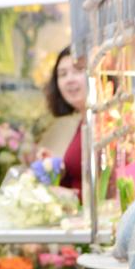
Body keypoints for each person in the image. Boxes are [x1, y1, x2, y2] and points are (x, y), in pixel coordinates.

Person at [40, 45, 86, 198]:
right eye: (63, 74)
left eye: (78, 70)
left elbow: (109, 192)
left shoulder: (108, 123)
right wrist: (55, 168)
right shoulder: (83, 122)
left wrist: (68, 195)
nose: (69, 80)